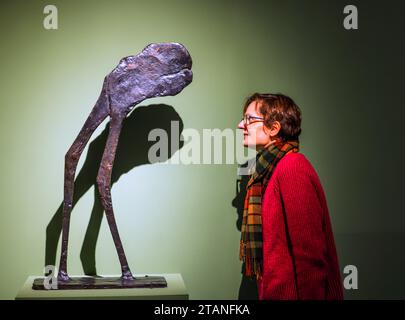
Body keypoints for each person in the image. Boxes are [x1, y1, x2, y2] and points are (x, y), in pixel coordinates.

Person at [237, 93, 343, 300]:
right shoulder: (268, 171)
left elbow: (310, 259)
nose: (241, 125)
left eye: (249, 119)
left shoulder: (292, 168)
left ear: (274, 128)